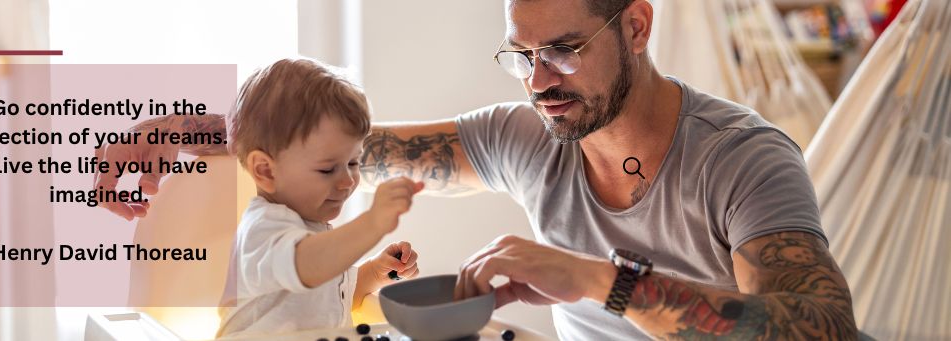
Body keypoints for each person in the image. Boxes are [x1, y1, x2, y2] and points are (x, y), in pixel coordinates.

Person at [94, 0, 858, 339]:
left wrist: (597, 278)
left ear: (636, 25)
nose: (536, 80)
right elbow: (333, 155)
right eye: (520, 56)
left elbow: (822, 331)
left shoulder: (743, 158)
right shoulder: (528, 135)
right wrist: (180, 131)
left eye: (560, 50)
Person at [211, 58, 424, 337]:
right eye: (327, 169)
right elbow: (308, 267)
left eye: (353, 163)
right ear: (266, 171)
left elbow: (333, 296)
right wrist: (372, 223)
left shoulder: (315, 234)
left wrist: (374, 272)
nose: (348, 180)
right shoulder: (263, 230)